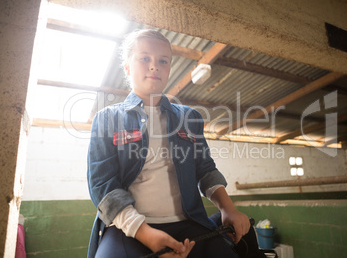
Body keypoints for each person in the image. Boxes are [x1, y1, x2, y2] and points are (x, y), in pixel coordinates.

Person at [87, 29, 250, 258]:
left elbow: (205, 169)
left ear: (169, 69)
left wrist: (228, 208)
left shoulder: (189, 117)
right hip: (130, 228)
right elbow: (102, 184)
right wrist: (146, 234)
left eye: (163, 60)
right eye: (145, 58)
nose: (154, 66)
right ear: (127, 68)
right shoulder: (107, 119)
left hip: (189, 223)